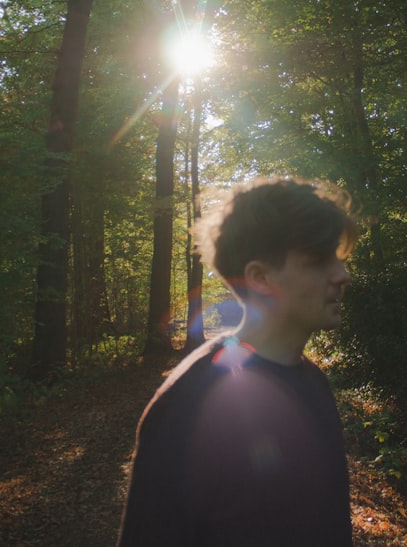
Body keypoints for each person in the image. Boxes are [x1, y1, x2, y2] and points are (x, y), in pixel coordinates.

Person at [118, 176, 359, 546]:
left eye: (337, 259)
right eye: (318, 260)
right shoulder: (188, 401)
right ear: (260, 277)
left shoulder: (314, 383)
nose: (342, 275)